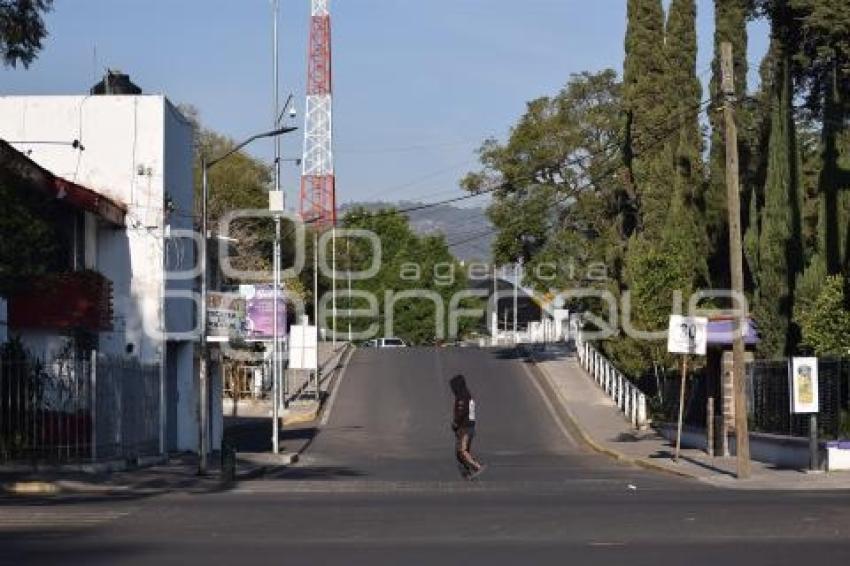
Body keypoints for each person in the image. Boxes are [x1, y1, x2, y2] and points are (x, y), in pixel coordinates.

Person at [450, 374, 485, 480]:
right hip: (468, 427)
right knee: (460, 452)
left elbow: (461, 412)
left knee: (462, 451)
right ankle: (467, 472)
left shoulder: (463, 397)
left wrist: (456, 423)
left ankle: (477, 466)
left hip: (465, 428)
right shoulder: (467, 395)